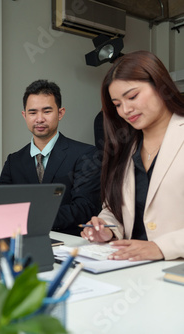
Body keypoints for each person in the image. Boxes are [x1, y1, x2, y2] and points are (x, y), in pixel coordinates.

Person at [81, 50, 184, 261]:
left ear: (159, 84)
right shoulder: (125, 147)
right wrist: (107, 228)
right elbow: (114, 208)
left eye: (132, 96)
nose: (126, 110)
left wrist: (162, 247)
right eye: (117, 104)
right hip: (131, 270)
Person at [0, 80, 101, 236]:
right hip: (22, 242)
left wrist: (29, 218)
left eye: (47, 111)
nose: (39, 119)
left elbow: (84, 208)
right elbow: (2, 203)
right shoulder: (14, 160)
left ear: (60, 113)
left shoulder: (86, 154)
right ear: (24, 115)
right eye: (32, 113)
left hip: (69, 242)